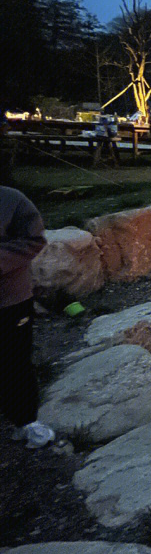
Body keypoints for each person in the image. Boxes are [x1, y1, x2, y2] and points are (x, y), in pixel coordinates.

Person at [1, 186, 54, 448]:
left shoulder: (11, 200)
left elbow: (34, 240)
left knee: (15, 362)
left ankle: (26, 421)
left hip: (10, 300)